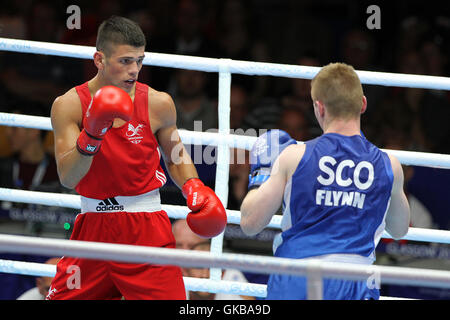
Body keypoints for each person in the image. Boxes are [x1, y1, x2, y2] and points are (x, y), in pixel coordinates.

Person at [46, 16, 227, 300]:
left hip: (146, 229)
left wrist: (194, 187)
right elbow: (69, 177)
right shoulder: (69, 105)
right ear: (99, 59)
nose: (134, 70)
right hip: (93, 228)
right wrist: (92, 134)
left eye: (139, 61)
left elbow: (175, 155)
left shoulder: (158, 102)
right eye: (125, 61)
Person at [240, 63, 410, 300]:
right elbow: (400, 229)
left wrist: (261, 175)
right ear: (362, 104)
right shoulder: (389, 165)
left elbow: (250, 223)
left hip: (297, 275)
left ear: (319, 108)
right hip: (357, 280)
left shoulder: (293, 156)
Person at [172, 219, 253, 300]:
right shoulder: (169, 277)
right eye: (178, 245)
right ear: (185, 271)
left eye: (191, 246)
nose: (185, 253)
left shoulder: (230, 277)